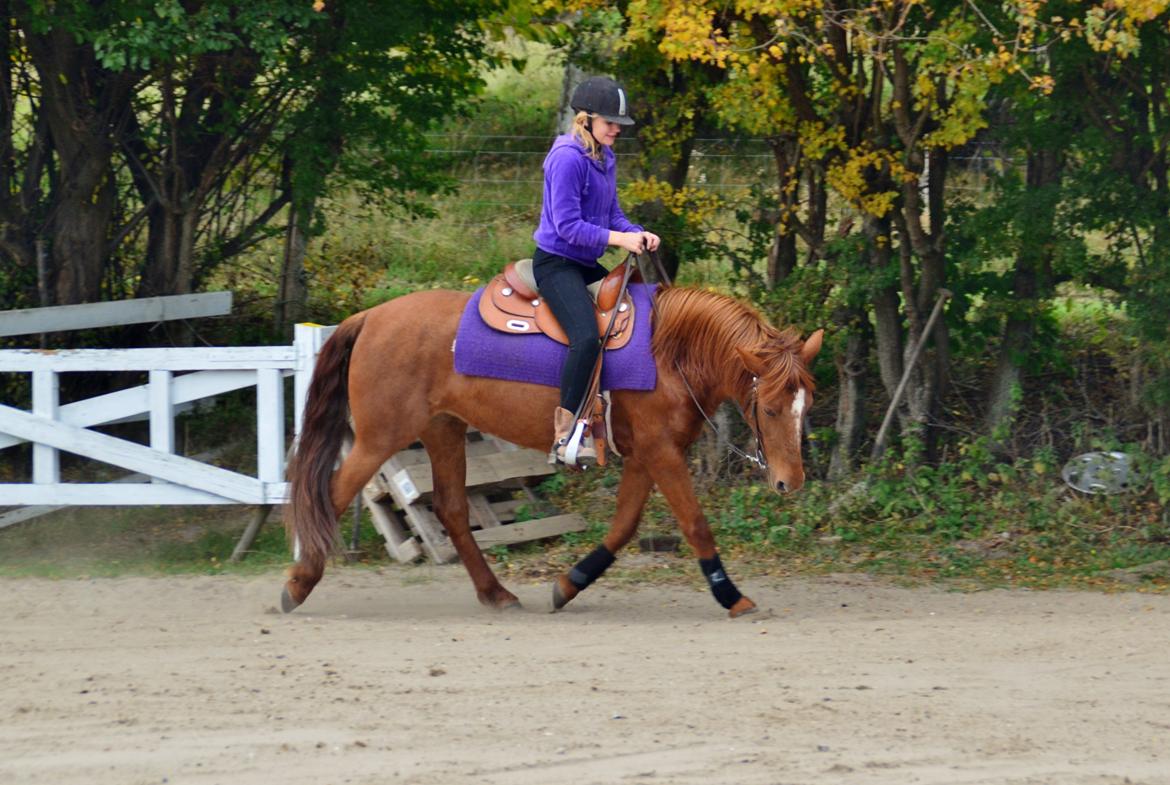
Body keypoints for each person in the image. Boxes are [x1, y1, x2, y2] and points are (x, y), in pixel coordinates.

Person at [532, 75, 660, 468]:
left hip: (586, 262)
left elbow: (613, 214)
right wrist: (619, 242)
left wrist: (637, 233)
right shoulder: (566, 158)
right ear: (585, 119)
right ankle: (564, 434)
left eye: (618, 123)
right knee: (586, 337)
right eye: (609, 122)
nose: (616, 128)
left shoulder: (604, 156)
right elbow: (568, 226)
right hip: (557, 264)